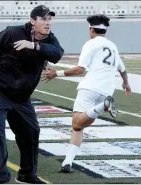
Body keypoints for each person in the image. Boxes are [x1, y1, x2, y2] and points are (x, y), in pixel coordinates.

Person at [0, 5, 64, 184]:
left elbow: (57, 54)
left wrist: (34, 46)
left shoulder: (49, 39)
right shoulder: (13, 33)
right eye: (43, 19)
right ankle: (2, 177)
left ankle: (26, 175)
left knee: (31, 131)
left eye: (50, 19)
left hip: (21, 97)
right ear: (33, 21)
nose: (48, 23)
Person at [44, 14, 131, 173]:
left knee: (77, 124)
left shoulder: (91, 44)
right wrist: (126, 84)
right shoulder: (112, 46)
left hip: (90, 87)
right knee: (79, 127)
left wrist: (57, 73)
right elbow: (123, 70)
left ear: (91, 29)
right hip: (106, 91)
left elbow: (80, 69)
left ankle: (102, 107)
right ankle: (67, 163)